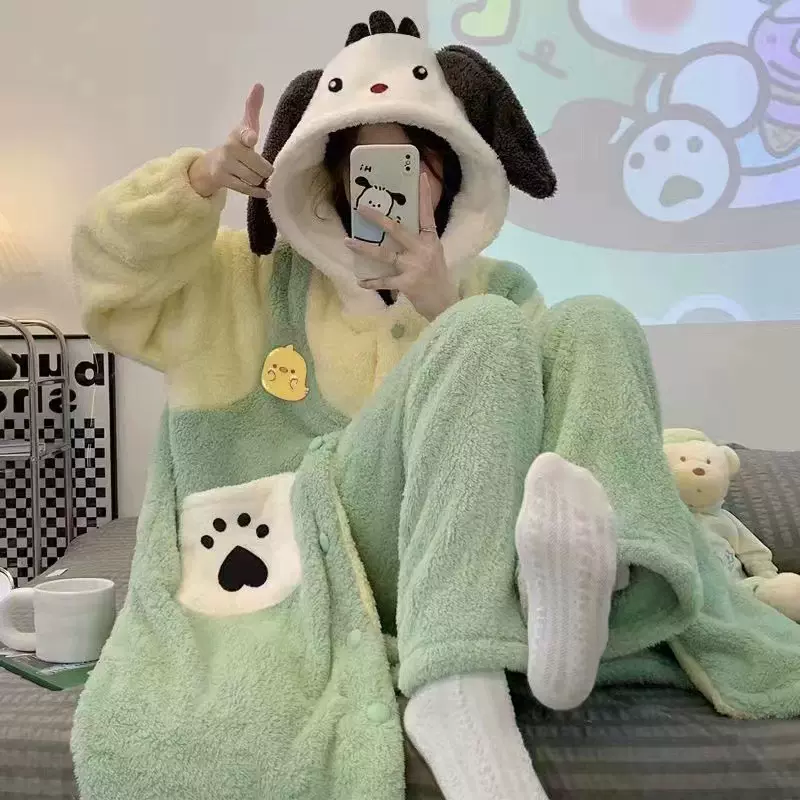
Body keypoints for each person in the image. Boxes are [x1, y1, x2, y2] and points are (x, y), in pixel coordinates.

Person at [71, 11, 800, 800]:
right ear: (328, 175)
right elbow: (115, 286)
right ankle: (456, 679)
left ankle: (602, 596)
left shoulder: (498, 289)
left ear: (448, 173)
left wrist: (438, 300)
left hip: (477, 554)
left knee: (597, 319)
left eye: (415, 160)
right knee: (482, 329)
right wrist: (199, 180)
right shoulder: (246, 281)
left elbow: (548, 444)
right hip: (331, 553)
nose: (391, 183)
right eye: (367, 163)